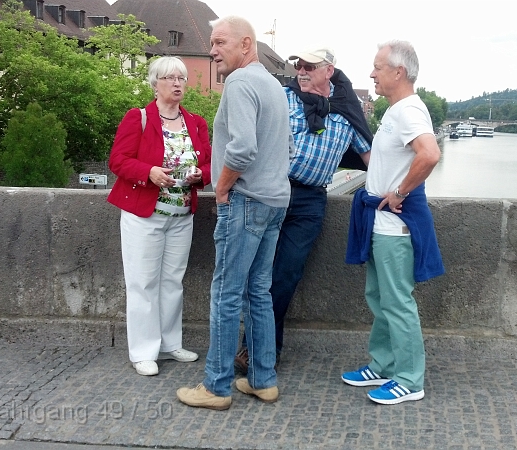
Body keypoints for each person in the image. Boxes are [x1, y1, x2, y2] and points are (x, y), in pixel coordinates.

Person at [176, 16, 293, 411]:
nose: (212, 50)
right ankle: (263, 380)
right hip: (276, 201)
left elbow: (241, 149)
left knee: (226, 294)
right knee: (258, 292)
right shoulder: (274, 85)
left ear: (246, 45)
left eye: (219, 42)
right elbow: (286, 149)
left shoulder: (241, 83)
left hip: (246, 201)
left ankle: (216, 387)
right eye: (211, 42)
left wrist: (221, 186)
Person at [234, 47, 372, 374]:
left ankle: (259, 348)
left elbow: (372, 161)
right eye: (300, 65)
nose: (302, 71)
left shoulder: (348, 112)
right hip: (273, 189)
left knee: (285, 276)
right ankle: (259, 350)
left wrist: (402, 189)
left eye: (311, 65)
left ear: (330, 71)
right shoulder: (284, 98)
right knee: (256, 273)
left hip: (310, 201)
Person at [341, 40, 444, 405]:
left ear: (398, 72)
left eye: (378, 67)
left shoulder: (409, 111)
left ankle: (410, 379)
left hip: (393, 227)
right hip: (379, 224)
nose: (372, 73)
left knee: (397, 302)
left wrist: (399, 191)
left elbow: (430, 154)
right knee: (379, 297)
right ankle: (383, 364)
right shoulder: (396, 110)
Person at [107, 56, 212, 377]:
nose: (177, 83)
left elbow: (210, 164)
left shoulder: (195, 122)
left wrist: (200, 175)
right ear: (155, 84)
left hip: (181, 215)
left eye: (181, 78)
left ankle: (169, 343)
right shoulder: (137, 118)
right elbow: (118, 161)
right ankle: (143, 350)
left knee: (172, 282)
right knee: (143, 282)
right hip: (144, 215)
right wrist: (149, 172)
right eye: (169, 78)